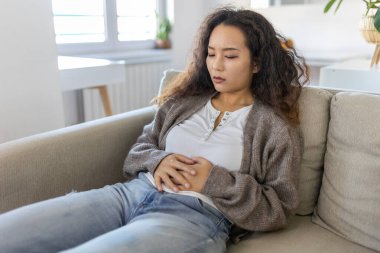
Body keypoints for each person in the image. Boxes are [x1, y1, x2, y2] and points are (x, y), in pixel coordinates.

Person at [0, 6, 308, 253]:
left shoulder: (275, 127)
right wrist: (158, 161)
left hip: (192, 218)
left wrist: (214, 180)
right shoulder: (184, 102)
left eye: (230, 56)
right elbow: (138, 151)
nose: (216, 66)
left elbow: (279, 207)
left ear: (256, 63)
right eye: (211, 54)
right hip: (128, 194)